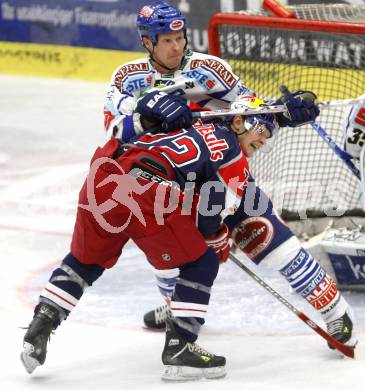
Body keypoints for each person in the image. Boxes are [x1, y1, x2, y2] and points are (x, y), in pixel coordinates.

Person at [21, 98, 279, 381]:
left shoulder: (191, 122)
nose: (264, 141)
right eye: (263, 131)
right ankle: (180, 347)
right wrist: (216, 237)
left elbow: (125, 132)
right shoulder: (233, 157)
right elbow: (208, 218)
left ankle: (41, 325)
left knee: (84, 263)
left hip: (104, 176)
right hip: (147, 193)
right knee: (202, 263)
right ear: (239, 122)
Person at [103, 0, 321, 331]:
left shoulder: (209, 69)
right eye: (166, 40)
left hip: (212, 174)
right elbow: (113, 133)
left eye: (180, 37)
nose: (177, 46)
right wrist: (148, 117)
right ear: (148, 41)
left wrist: (278, 113)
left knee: (269, 239)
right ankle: (175, 307)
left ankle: (334, 315)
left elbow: (249, 105)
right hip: (162, 179)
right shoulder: (127, 78)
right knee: (166, 256)